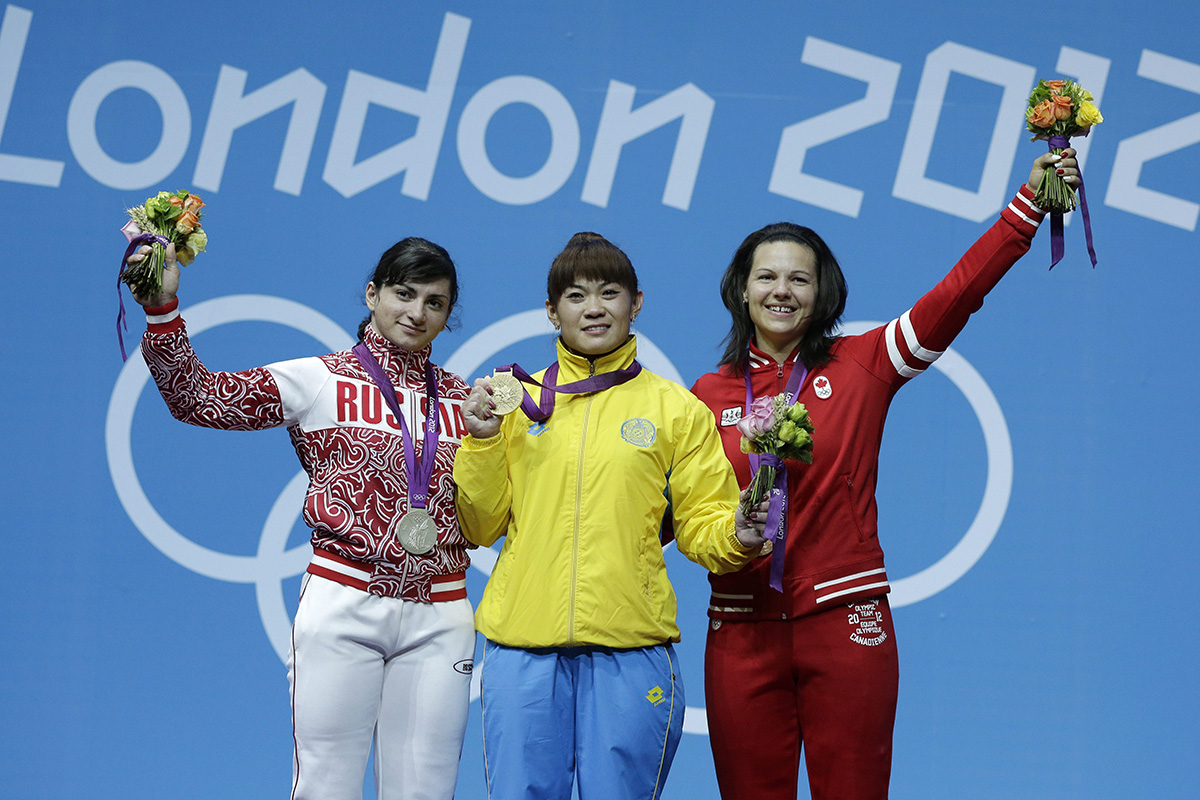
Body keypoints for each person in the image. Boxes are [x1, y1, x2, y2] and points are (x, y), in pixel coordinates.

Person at [689, 150, 1079, 799]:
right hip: (739, 628)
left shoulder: (864, 362)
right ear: (740, 289)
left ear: (824, 292)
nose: (781, 291)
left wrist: (1026, 210)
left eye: (799, 279)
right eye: (766, 277)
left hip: (847, 621)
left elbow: (956, 295)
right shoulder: (705, 394)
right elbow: (676, 512)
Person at [126, 237, 476, 800]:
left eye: (434, 303)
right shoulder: (321, 380)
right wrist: (162, 309)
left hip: (441, 614)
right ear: (372, 293)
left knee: (427, 792)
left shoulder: (466, 403)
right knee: (327, 787)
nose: (416, 312)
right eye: (403, 294)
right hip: (344, 602)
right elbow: (197, 398)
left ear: (446, 315)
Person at [453, 232, 768, 800]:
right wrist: (478, 445)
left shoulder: (675, 410)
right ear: (551, 311)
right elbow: (478, 527)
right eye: (575, 296)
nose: (593, 308)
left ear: (636, 302)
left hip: (631, 651)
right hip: (522, 650)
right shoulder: (513, 403)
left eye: (609, 292)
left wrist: (740, 535)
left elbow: (703, 525)